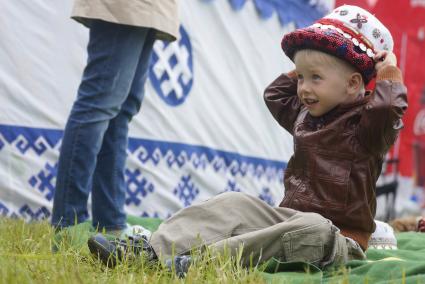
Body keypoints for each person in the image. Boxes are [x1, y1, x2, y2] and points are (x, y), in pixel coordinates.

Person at [87, 4, 408, 274]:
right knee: (234, 203)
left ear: (353, 84)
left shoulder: (366, 130)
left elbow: (389, 109)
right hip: (287, 217)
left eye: (316, 78)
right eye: (301, 76)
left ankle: (197, 263)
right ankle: (153, 250)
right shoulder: (306, 115)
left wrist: (388, 72)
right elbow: (275, 94)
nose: (303, 88)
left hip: (338, 238)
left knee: (314, 229)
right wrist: (310, 62)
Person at [51, 1, 179, 234]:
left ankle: (110, 221)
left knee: (120, 111)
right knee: (98, 105)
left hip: (149, 9)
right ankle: (68, 223)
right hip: (125, 7)